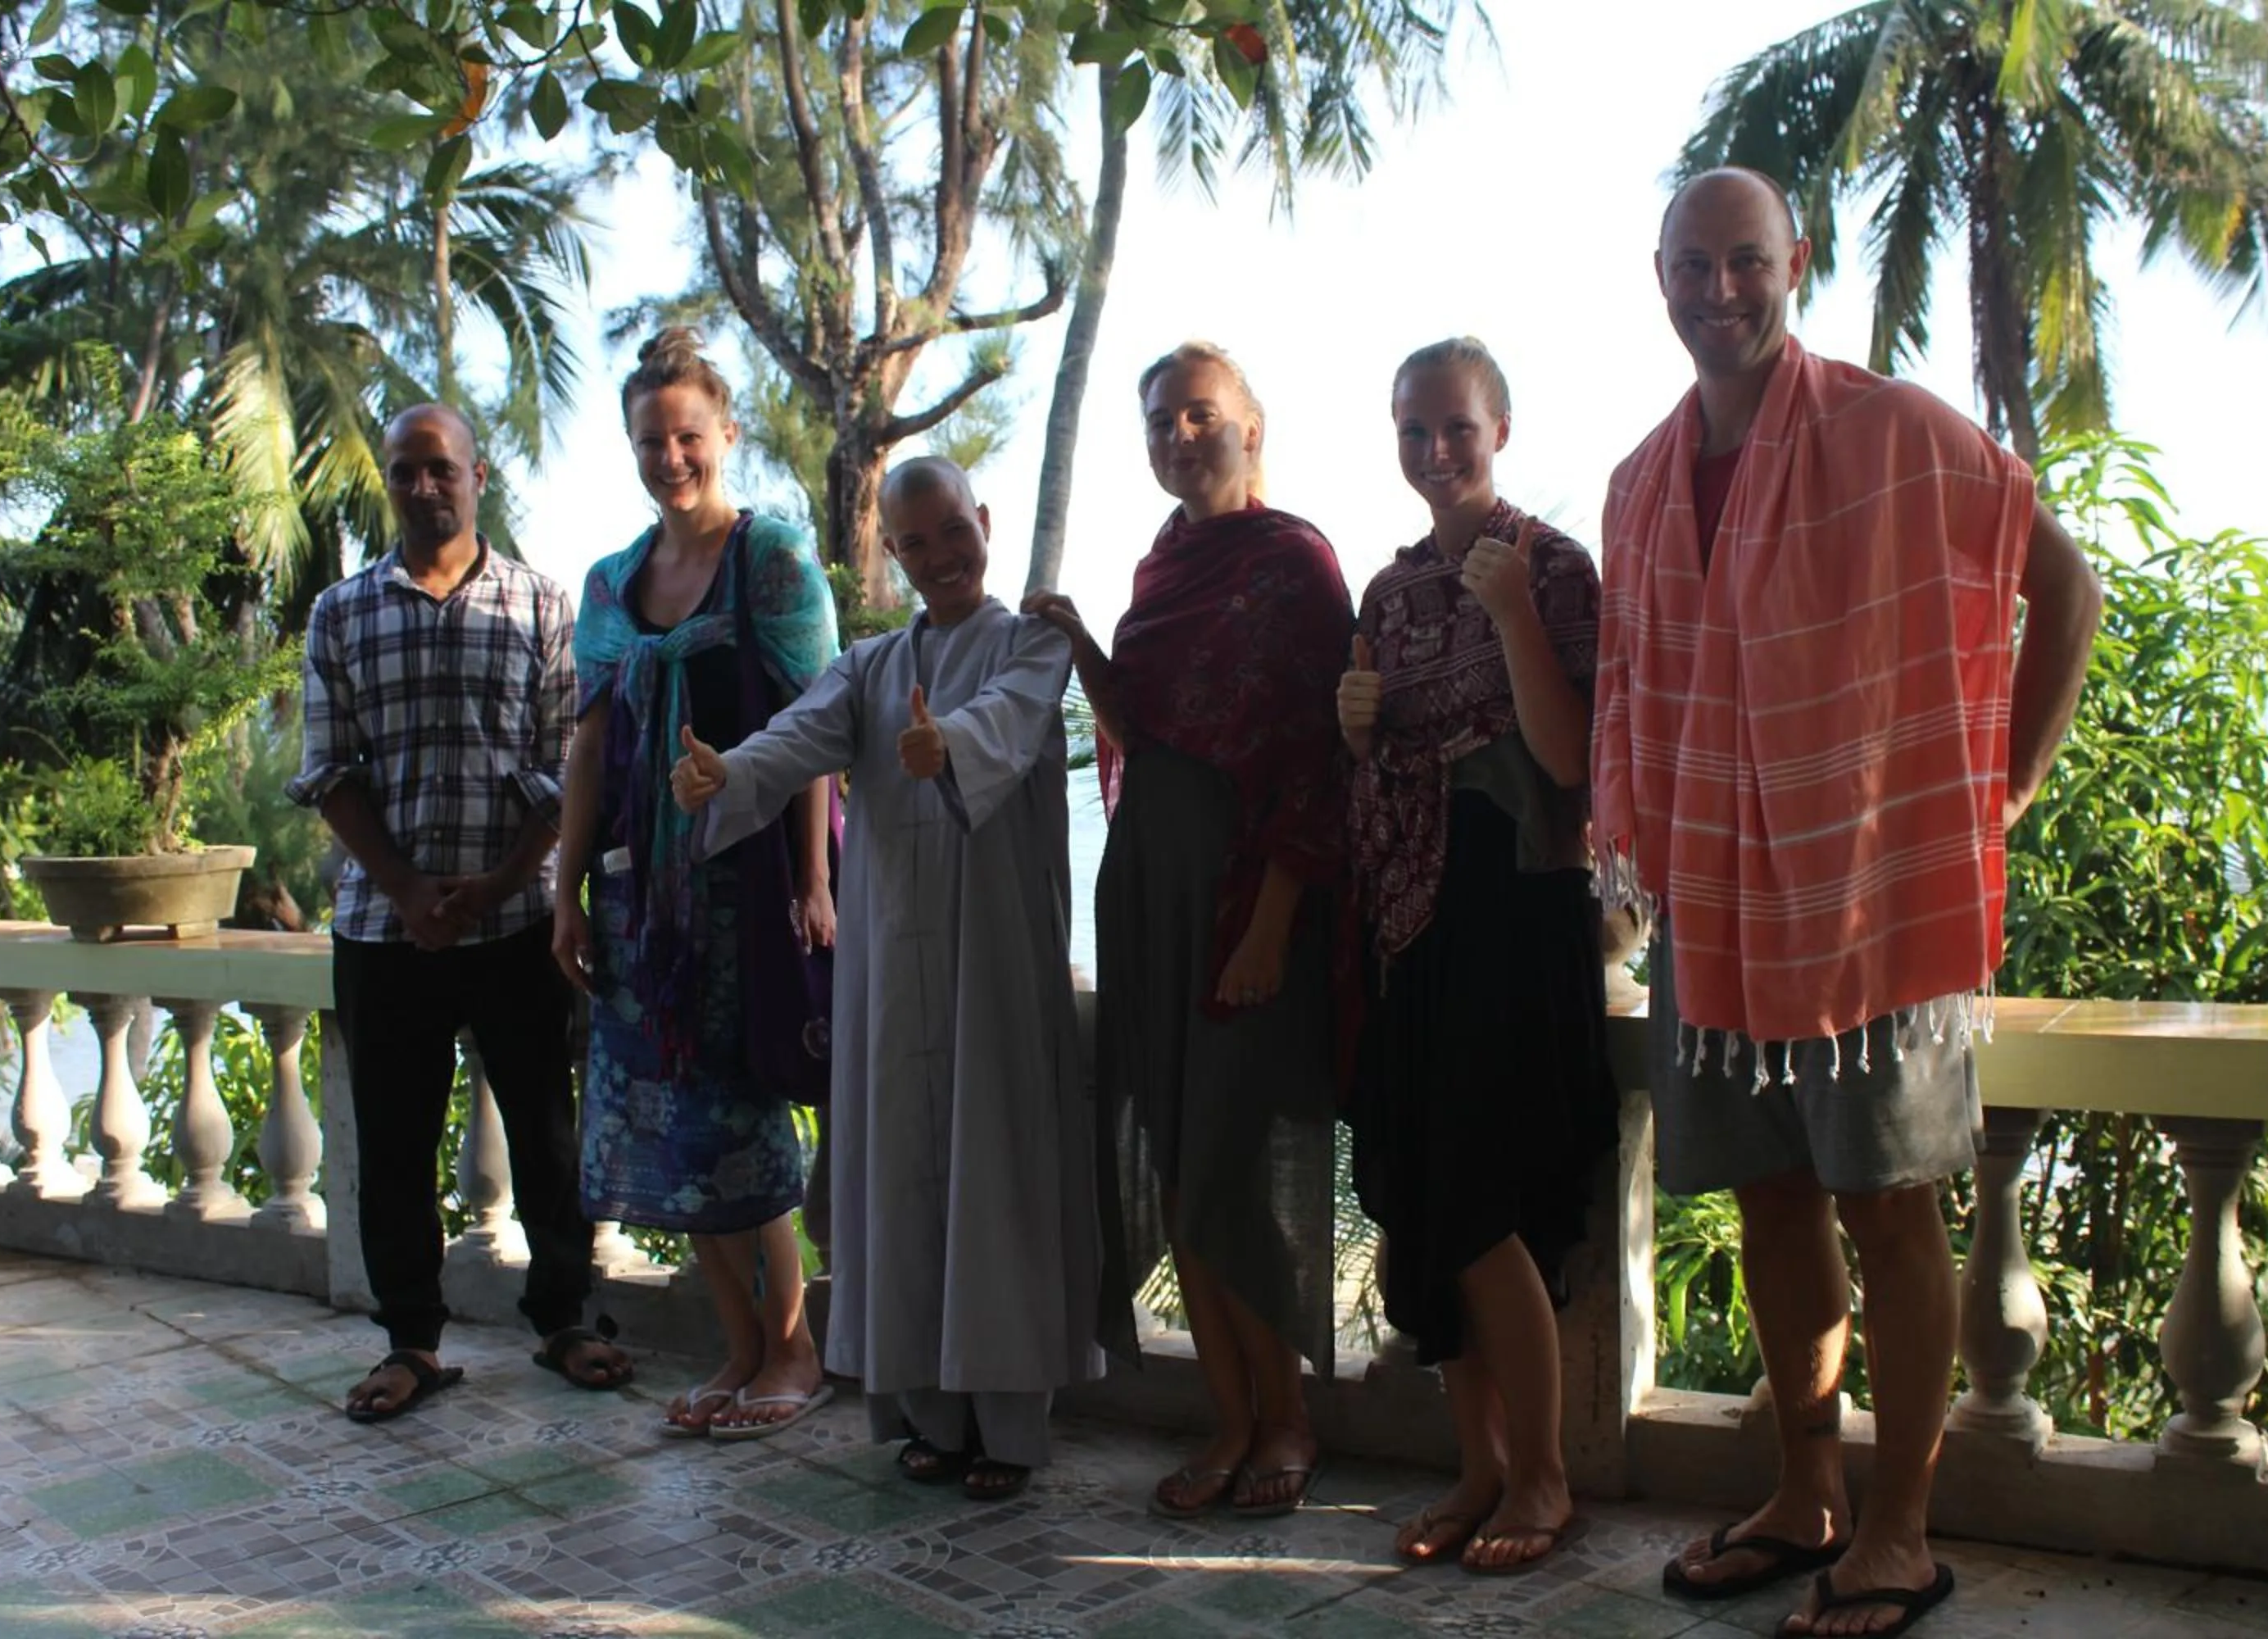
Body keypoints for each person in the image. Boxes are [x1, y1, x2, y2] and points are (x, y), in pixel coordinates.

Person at [1603, 170, 2101, 1637]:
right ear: (1660, 275)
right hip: (1717, 901)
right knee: (1771, 1203)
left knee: (1889, 1209)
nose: (1718, 292)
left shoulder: (1893, 432)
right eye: (1691, 266)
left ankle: (1898, 1526)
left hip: (1873, 899)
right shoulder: (1640, 479)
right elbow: (1639, 693)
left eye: (1744, 262)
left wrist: (2002, 790)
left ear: (1794, 262)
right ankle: (1807, 1494)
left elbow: (2060, 586)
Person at [669, 455, 1100, 1498]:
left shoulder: (1032, 639)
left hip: (994, 969)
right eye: (918, 542)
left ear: (983, 522)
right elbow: (800, 734)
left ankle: (1007, 1429)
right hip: (890, 973)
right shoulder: (869, 664)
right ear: (895, 552)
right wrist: (732, 771)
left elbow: (1001, 721)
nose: (943, 555)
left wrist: (941, 742)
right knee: (902, 1183)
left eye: (956, 530)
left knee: (993, 1180)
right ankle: (930, 1419)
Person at [1025, 342, 1350, 1520]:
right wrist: (1081, 648)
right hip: (1150, 890)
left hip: (1240, 899)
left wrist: (1269, 930)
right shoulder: (1160, 567)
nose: (1178, 436)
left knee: (1221, 1169)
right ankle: (1231, 1418)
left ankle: (1291, 1419)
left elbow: (1313, 769)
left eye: (1200, 416)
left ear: (1252, 428)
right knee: (1174, 1167)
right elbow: (1145, 732)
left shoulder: (1295, 564)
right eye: (1160, 421)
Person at [289, 402, 633, 1423]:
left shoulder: (539, 603)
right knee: (394, 1142)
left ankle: (565, 1318)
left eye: (440, 468)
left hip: (517, 921)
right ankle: (410, 1342)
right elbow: (327, 770)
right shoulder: (342, 612)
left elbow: (568, 760)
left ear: (478, 475)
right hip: (383, 928)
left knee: (545, 1128)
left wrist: (500, 881)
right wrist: (401, 884)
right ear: (388, 483)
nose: (424, 486)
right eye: (405, 472)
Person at [1339, 338, 1618, 1574]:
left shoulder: (1554, 569)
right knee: (1422, 1198)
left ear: (1501, 429)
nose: (1436, 452)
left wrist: (1507, 614)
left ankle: (1545, 1479)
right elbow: (1381, 774)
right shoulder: (1388, 596)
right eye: (1414, 431)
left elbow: (1571, 765)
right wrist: (1355, 724)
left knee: (1489, 1204)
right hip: (1413, 919)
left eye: (1456, 428)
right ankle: (1479, 1468)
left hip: (1517, 907)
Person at [552, 328, 840, 1441]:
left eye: (687, 436)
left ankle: (793, 1352)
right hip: (642, 901)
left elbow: (816, 723)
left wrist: (811, 880)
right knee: (662, 1136)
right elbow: (589, 748)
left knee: (743, 1125)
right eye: (649, 440)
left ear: (725, 435)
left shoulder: (770, 557)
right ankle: (735, 1348)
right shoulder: (612, 584)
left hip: (748, 886)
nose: (669, 457)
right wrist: (568, 891)